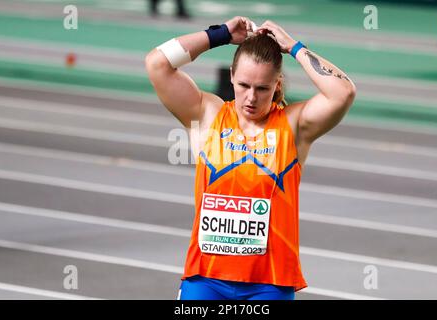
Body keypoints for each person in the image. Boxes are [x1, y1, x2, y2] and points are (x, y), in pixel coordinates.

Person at [145, 16, 356, 300]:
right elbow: (157, 63)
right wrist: (220, 34)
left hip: (269, 284)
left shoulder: (293, 126)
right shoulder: (208, 116)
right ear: (230, 76)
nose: (251, 98)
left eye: (262, 89)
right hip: (206, 278)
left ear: (277, 85)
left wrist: (293, 47)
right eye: (243, 85)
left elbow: (343, 92)